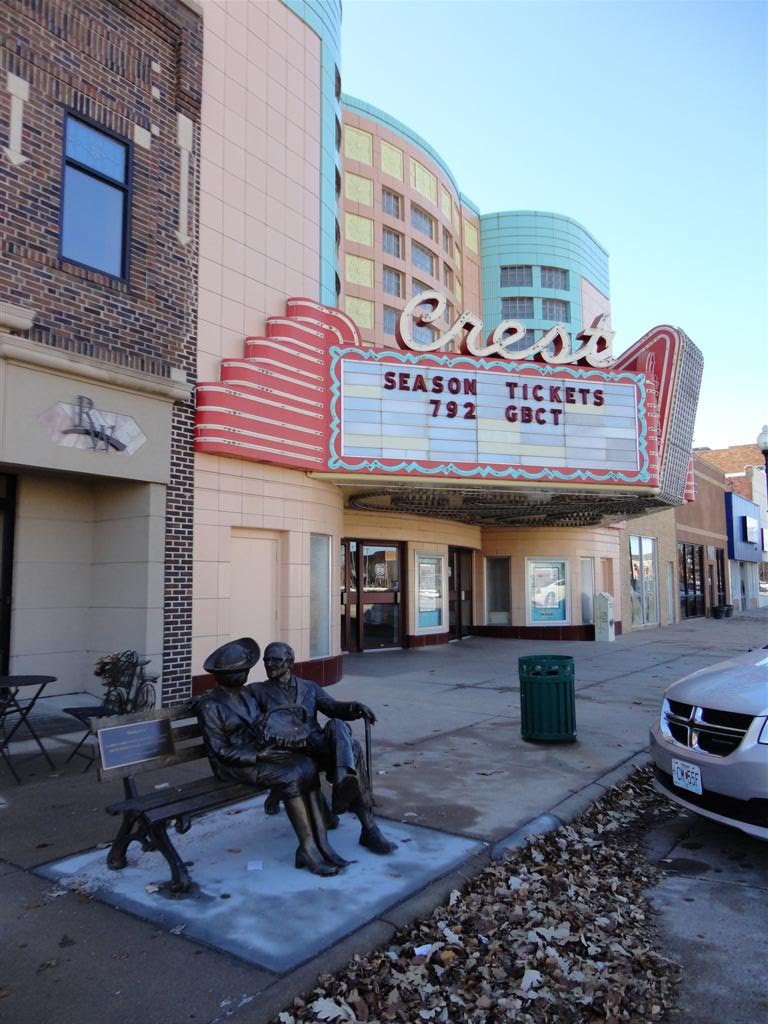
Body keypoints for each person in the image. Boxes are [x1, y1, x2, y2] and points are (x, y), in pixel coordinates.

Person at [197, 637, 346, 877]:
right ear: (224, 674)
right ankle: (308, 848)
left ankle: (322, 844)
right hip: (234, 764)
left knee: (307, 765)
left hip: (261, 753)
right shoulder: (211, 706)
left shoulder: (247, 695)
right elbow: (219, 751)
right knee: (289, 775)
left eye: (245, 669)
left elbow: (262, 724)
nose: (247, 673)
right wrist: (258, 755)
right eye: (241, 670)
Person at [254, 641, 396, 855]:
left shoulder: (309, 687)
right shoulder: (259, 691)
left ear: (290, 662)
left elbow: (332, 707)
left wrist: (353, 707)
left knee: (338, 725)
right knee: (353, 750)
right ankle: (361, 816)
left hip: (315, 744)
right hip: (290, 752)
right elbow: (231, 700)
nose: (269, 664)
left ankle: (345, 784)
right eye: (266, 660)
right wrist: (203, 701)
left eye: (275, 660)